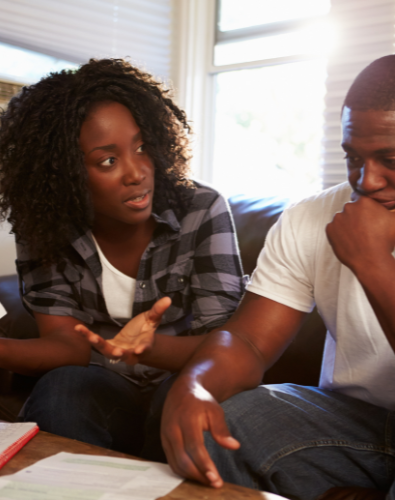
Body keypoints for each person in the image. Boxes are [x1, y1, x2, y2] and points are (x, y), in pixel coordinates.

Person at [157, 55, 395, 500]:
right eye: (353, 159)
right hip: (351, 421)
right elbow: (248, 341)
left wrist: (373, 262)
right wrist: (195, 384)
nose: (367, 180)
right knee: (229, 423)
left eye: (390, 160)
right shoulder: (307, 218)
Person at [0, 58, 246, 458]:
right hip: (101, 383)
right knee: (62, 388)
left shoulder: (201, 209)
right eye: (108, 161)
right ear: (64, 173)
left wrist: (147, 348)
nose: (136, 173)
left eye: (142, 147)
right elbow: (67, 345)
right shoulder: (45, 226)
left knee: (193, 401)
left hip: (181, 377)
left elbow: (227, 345)